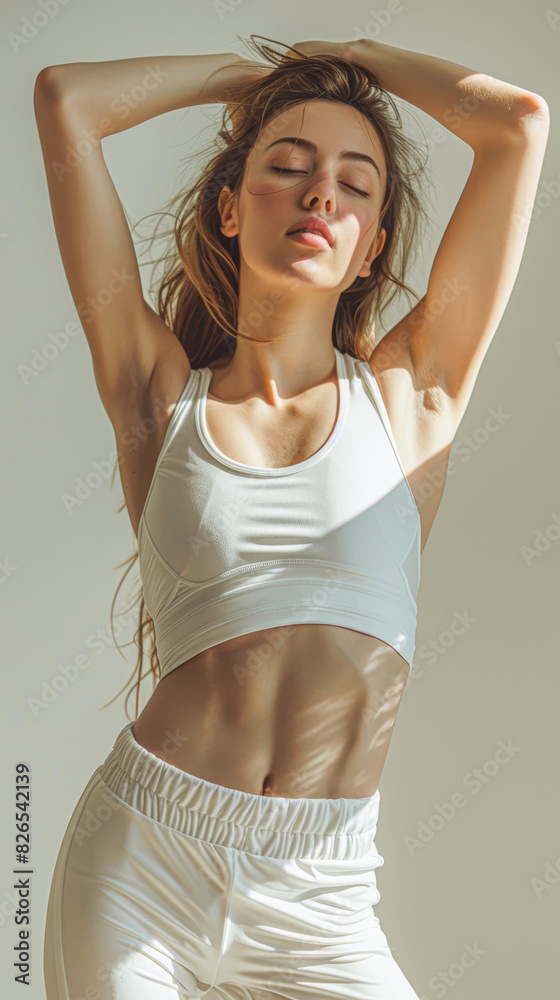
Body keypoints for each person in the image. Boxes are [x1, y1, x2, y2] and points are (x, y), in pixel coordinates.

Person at [34, 33, 549, 1000]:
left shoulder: (413, 398)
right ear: (229, 209)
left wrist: (349, 57)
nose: (323, 196)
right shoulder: (159, 396)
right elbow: (66, 102)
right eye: (288, 167)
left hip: (323, 891)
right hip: (144, 862)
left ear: (372, 248)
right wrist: (251, 81)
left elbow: (517, 126)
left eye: (357, 185)